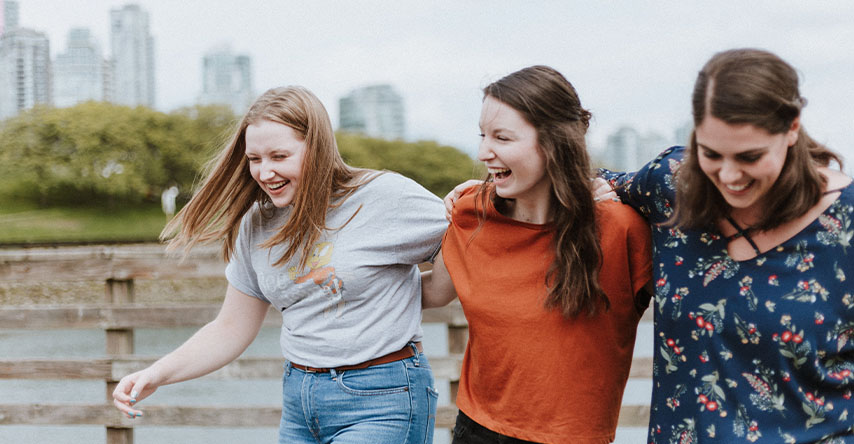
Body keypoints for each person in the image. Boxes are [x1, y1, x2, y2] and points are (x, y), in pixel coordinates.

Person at [112, 86, 448, 444]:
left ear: (317, 148)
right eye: (254, 159)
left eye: (279, 156)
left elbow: (465, 236)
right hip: (300, 403)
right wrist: (157, 374)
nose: (265, 172)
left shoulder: (383, 197)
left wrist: (427, 291)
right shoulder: (257, 223)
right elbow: (231, 328)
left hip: (383, 399)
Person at [595, 49, 854, 442]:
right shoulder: (672, 184)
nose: (729, 175)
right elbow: (587, 185)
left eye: (750, 156)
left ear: (792, 128)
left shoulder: (846, 223)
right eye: (711, 154)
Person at [422, 65, 653, 444]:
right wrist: (338, 283)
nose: (483, 152)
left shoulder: (622, 229)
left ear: (554, 143)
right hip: (475, 430)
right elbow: (432, 292)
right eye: (482, 135)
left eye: (502, 137)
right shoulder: (471, 212)